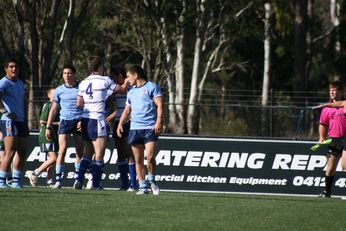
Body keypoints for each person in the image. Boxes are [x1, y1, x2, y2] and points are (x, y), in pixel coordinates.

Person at [74, 56, 127, 190]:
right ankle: (96, 184)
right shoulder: (105, 80)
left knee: (87, 153)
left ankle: (79, 180)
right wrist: (128, 81)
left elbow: (79, 103)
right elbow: (121, 89)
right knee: (99, 155)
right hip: (97, 119)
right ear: (100, 67)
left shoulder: (83, 82)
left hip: (86, 119)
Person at [117, 65, 163, 195]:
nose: (127, 80)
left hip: (149, 127)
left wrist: (159, 121)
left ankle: (152, 181)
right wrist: (121, 123)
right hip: (135, 128)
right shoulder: (130, 92)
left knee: (150, 157)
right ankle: (143, 187)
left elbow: (160, 104)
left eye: (128, 76)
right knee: (138, 160)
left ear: (136, 75)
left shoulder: (152, 87)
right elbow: (127, 110)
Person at [45, 65, 84, 189]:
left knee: (79, 151)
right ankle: (58, 181)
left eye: (69, 73)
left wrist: (82, 120)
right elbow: (54, 109)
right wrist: (48, 126)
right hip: (65, 122)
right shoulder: (59, 90)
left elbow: (86, 105)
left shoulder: (81, 87)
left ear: (74, 74)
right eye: (64, 73)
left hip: (78, 121)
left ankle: (78, 180)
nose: (67, 75)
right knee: (62, 150)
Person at [313, 80, 346, 197]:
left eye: (334, 90)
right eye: (330, 90)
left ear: (341, 91)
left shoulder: (345, 104)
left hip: (345, 139)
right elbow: (323, 124)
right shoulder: (326, 109)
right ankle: (327, 192)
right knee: (330, 168)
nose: (332, 92)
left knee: (345, 166)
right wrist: (322, 137)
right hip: (334, 140)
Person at [0, 58, 29, 188]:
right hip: (8, 121)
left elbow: (22, 101)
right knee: (10, 152)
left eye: (16, 67)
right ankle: (1, 182)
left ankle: (16, 182)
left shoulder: (20, 83)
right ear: (6, 68)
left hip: (21, 121)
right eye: (11, 67)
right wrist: (5, 112)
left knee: (22, 151)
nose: (14, 69)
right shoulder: (3, 82)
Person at [106, 67, 137, 191]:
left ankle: (134, 184)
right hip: (118, 123)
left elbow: (129, 108)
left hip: (129, 123)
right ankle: (125, 184)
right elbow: (111, 105)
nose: (113, 81)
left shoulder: (132, 89)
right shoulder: (116, 90)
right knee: (120, 154)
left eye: (114, 78)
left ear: (120, 76)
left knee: (129, 153)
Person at [28, 87, 59, 187]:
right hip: (46, 135)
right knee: (54, 158)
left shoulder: (58, 105)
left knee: (52, 159)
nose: (55, 96)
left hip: (54, 136)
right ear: (49, 95)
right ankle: (34, 173)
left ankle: (50, 181)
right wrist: (56, 123)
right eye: (53, 94)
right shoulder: (48, 105)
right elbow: (42, 121)